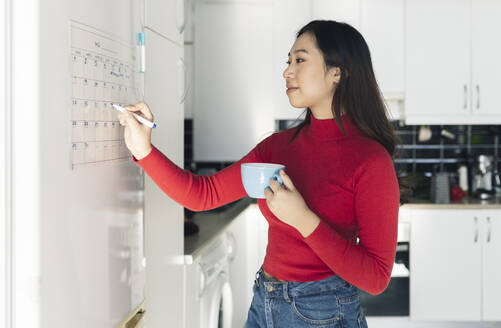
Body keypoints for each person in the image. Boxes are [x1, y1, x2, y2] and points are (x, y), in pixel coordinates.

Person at [118, 19, 404, 328]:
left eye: (300, 60)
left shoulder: (370, 160)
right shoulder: (277, 147)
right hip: (264, 302)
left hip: (323, 312)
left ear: (337, 72)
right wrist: (144, 149)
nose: (287, 71)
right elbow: (201, 195)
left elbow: (376, 278)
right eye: (288, 61)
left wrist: (302, 218)